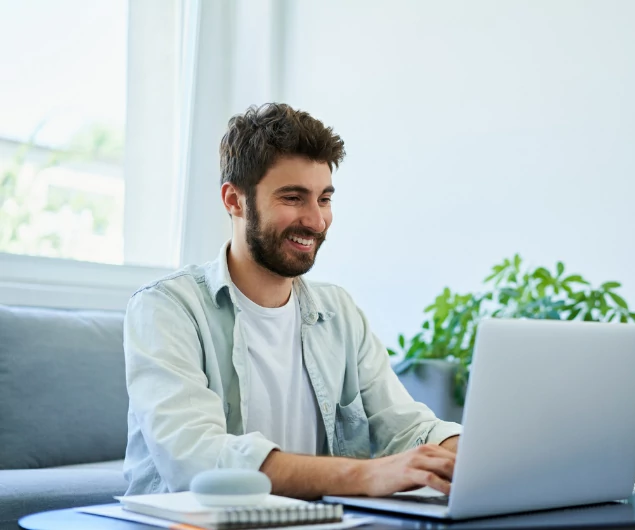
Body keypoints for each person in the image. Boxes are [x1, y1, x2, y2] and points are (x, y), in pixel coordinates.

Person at [123, 103, 461, 499]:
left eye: (324, 199)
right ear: (234, 200)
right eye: (293, 198)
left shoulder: (339, 313)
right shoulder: (166, 308)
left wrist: (472, 457)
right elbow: (198, 459)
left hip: (315, 522)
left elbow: (407, 427)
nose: (316, 221)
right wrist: (365, 475)